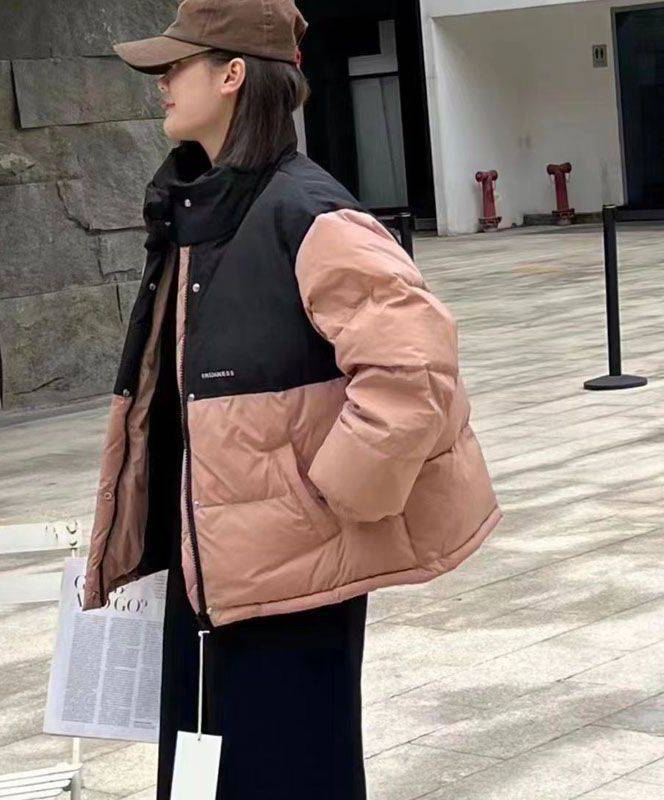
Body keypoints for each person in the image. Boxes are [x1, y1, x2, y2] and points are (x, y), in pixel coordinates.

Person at [80, 1, 504, 798]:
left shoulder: (306, 212)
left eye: (177, 65)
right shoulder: (199, 211)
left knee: (290, 775)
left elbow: (413, 371)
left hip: (291, 583)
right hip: (209, 568)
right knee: (209, 776)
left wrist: (331, 499)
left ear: (233, 75)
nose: (162, 82)